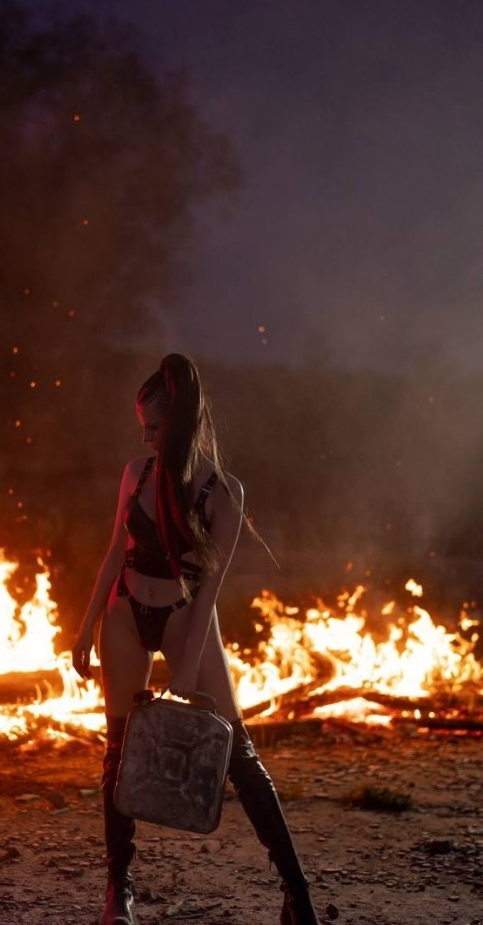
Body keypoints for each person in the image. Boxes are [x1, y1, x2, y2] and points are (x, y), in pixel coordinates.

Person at [72, 354, 322, 925]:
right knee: (118, 750)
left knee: (237, 748)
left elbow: (210, 588)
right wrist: (84, 627)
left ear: (179, 425)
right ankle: (119, 892)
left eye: (154, 427)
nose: (145, 436)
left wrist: (186, 672)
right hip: (125, 614)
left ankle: (296, 892)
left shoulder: (221, 490)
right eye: (142, 426)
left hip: (187, 612)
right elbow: (115, 552)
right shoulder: (135, 474)